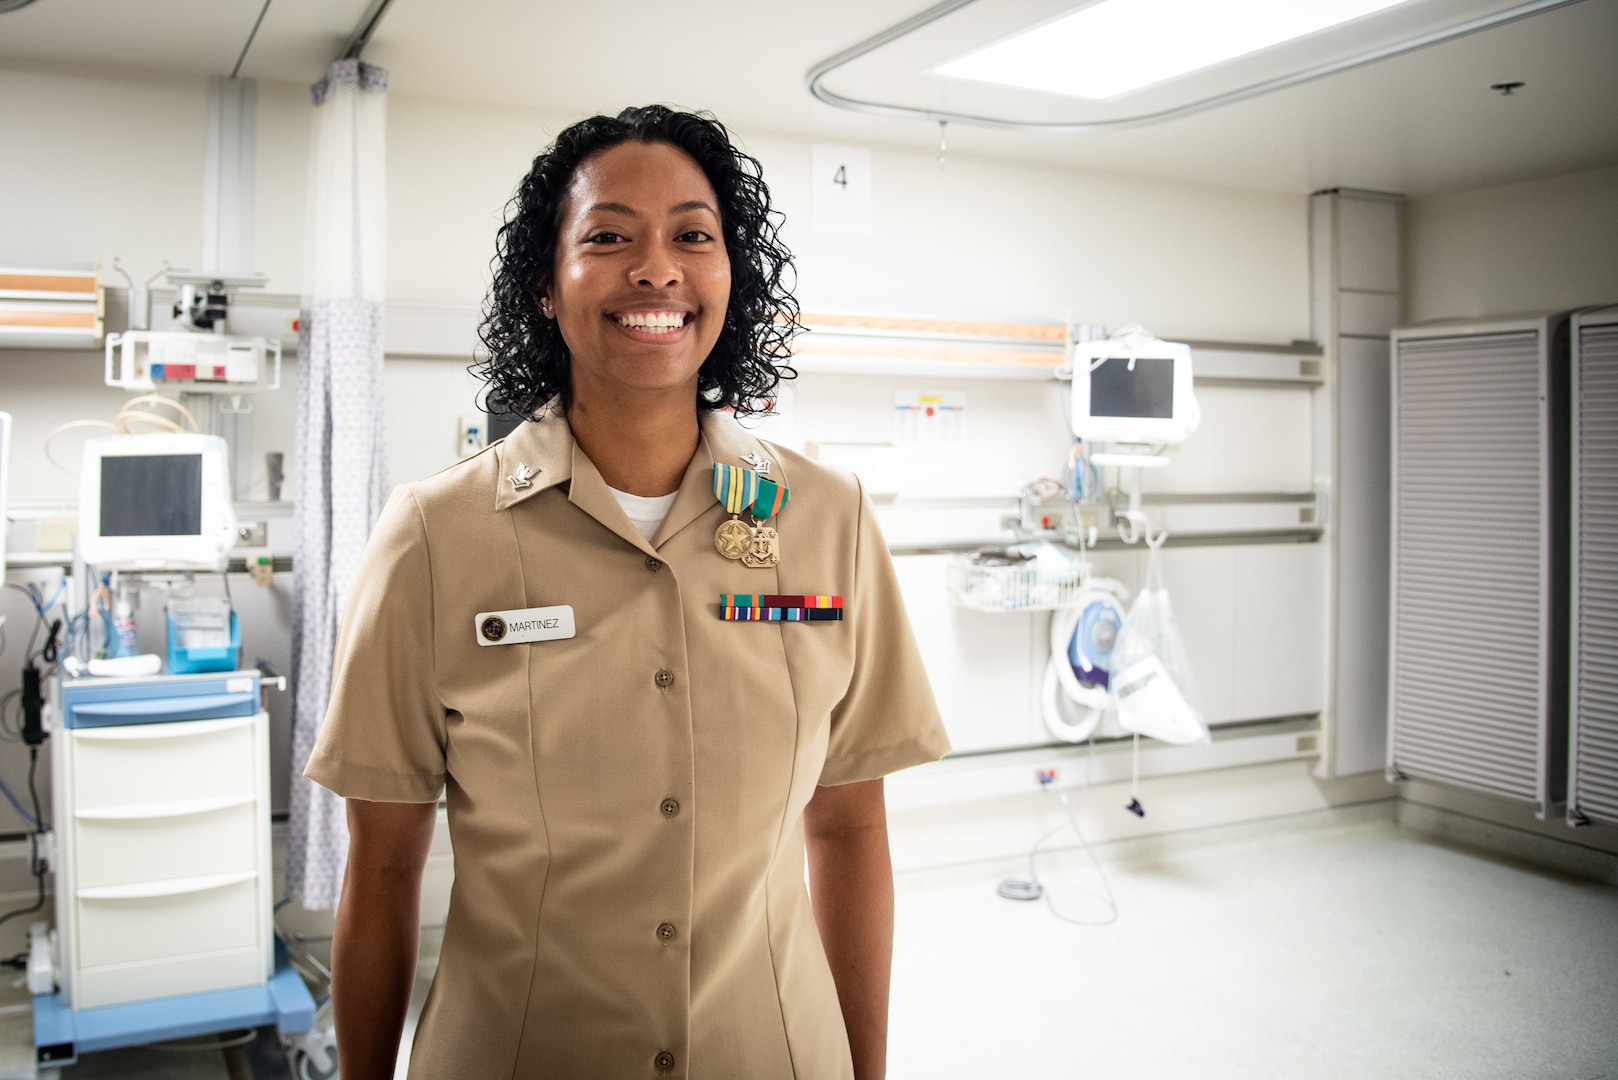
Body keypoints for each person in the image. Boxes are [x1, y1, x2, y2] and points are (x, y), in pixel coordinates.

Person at [306, 105, 950, 1080]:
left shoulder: (826, 516)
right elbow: (386, 863)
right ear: (545, 286)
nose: (655, 268)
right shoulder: (435, 536)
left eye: (693, 236)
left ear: (730, 277)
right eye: (608, 237)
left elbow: (851, 826)